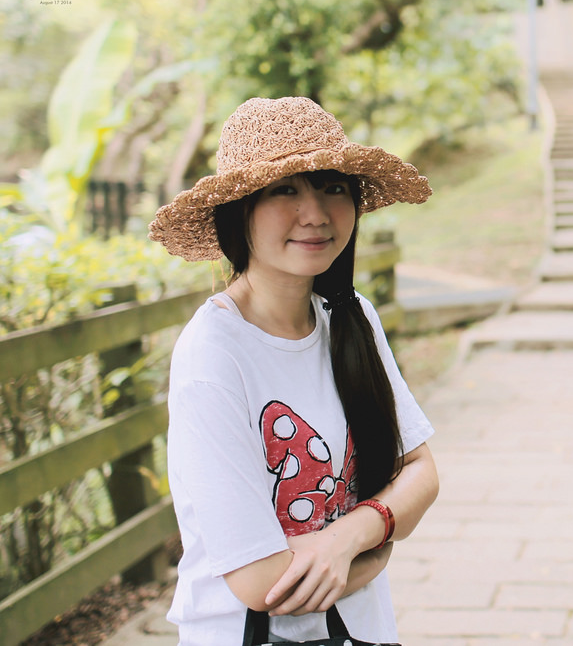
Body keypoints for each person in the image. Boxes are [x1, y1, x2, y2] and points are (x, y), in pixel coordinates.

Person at [148, 96, 438, 645]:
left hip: (363, 631)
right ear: (239, 212)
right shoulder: (214, 354)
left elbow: (422, 470)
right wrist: (380, 545)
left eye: (332, 186)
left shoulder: (352, 319)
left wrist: (347, 534)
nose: (316, 213)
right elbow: (262, 583)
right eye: (285, 190)